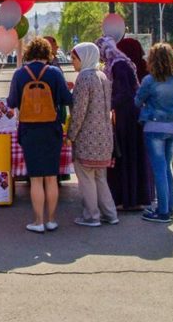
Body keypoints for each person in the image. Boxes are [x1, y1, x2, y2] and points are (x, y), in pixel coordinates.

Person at [6, 37, 72, 232]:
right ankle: (51, 219)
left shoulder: (19, 74)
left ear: (29, 53)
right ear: (46, 53)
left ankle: (38, 221)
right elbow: (67, 99)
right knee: (51, 177)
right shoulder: (54, 73)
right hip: (52, 129)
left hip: (29, 130)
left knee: (35, 178)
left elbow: (11, 102)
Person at [96, 35, 152, 212]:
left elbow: (124, 93)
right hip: (130, 115)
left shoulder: (118, 65)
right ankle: (133, 197)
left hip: (126, 118)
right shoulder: (121, 62)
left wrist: (106, 103)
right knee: (132, 156)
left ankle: (125, 198)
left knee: (124, 157)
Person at [67, 42, 118, 227]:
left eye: (74, 58)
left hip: (87, 138)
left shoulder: (84, 78)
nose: (72, 62)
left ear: (84, 57)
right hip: (104, 137)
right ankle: (110, 214)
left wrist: (71, 134)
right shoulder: (102, 76)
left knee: (86, 178)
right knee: (100, 178)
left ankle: (91, 216)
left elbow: (79, 111)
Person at [135, 43, 173, 224]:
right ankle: (170, 205)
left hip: (154, 127)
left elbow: (137, 101)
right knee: (167, 166)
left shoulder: (149, 80)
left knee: (159, 169)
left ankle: (162, 211)